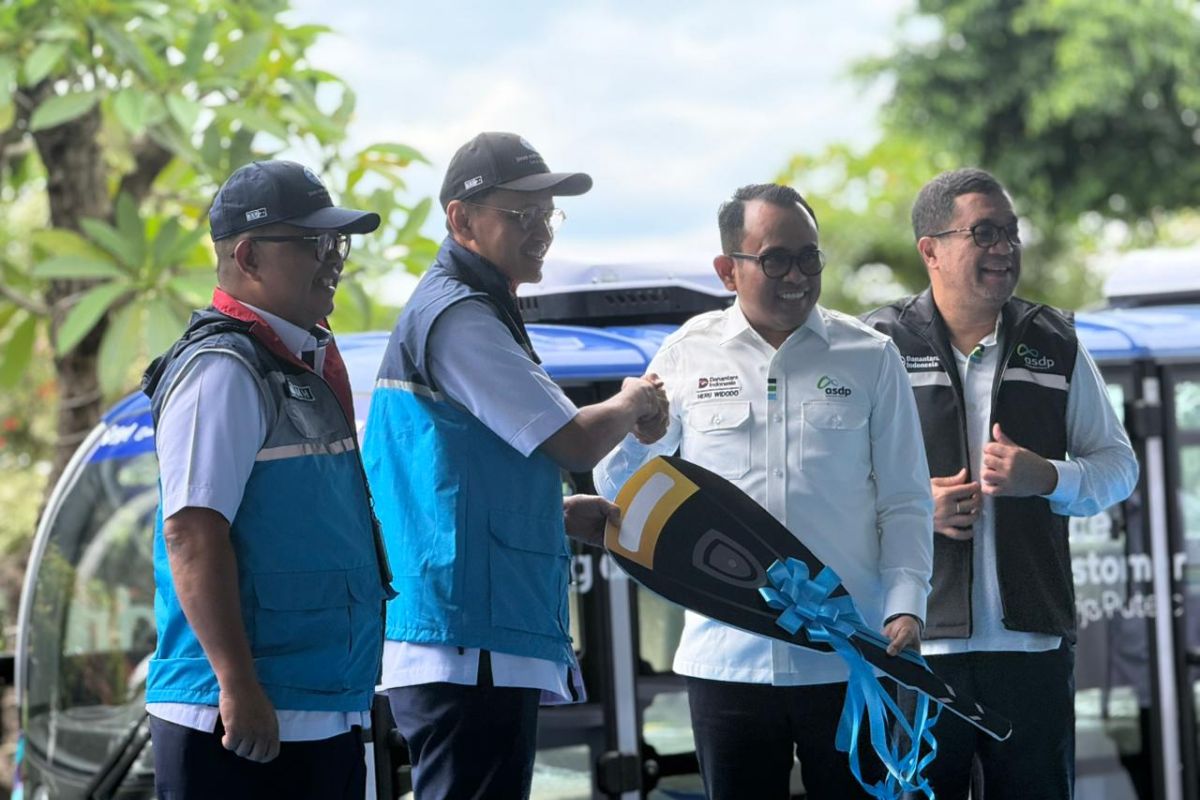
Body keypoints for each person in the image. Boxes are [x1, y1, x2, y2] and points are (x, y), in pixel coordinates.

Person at [594, 183, 934, 799]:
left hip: (849, 656)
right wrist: (640, 437)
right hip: (728, 660)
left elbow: (906, 498)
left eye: (810, 258)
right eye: (776, 258)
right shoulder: (684, 354)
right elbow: (620, 493)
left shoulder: (871, 356)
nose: (798, 275)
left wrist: (905, 603)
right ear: (729, 270)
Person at [361, 132, 669, 799]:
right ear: (461, 220)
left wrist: (551, 516)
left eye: (546, 214)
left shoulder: (474, 310)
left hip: (470, 634)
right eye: (518, 213)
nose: (539, 230)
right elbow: (575, 443)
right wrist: (635, 399)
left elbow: (451, 485)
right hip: (465, 641)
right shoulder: (460, 317)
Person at [863, 167, 1140, 800]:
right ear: (930, 249)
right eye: (983, 232)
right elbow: (834, 485)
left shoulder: (1056, 340)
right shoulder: (874, 345)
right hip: (912, 647)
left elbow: (1118, 467)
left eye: (1011, 233)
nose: (1004, 249)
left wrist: (1048, 476)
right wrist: (912, 512)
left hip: (1032, 648)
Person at [140, 160, 394, 799]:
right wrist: (237, 683)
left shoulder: (291, 359)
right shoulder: (222, 369)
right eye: (314, 243)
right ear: (248, 256)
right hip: (240, 719)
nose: (334, 259)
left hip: (307, 704)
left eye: (337, 242)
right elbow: (192, 535)